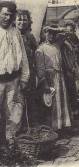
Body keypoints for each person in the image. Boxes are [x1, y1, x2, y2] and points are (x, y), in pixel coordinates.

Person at [0, 1, 30, 156]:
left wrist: (24, 78)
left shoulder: (15, 32)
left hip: (14, 80)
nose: (7, 17)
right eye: (4, 14)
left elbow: (23, 57)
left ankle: (10, 144)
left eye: (10, 15)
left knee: (13, 113)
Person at [35, 25, 71, 131]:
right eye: (48, 33)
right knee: (51, 102)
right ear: (44, 33)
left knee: (61, 100)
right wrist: (45, 83)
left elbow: (67, 33)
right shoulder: (40, 49)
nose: (51, 35)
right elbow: (40, 69)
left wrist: (57, 29)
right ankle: (52, 127)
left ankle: (60, 125)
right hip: (49, 79)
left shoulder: (57, 45)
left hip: (59, 78)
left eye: (53, 33)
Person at [16, 9, 38, 126]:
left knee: (30, 100)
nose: (22, 22)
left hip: (30, 73)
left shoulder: (30, 37)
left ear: (29, 21)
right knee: (17, 102)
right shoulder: (12, 35)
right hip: (16, 75)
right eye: (19, 19)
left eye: (25, 19)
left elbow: (35, 55)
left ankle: (29, 127)